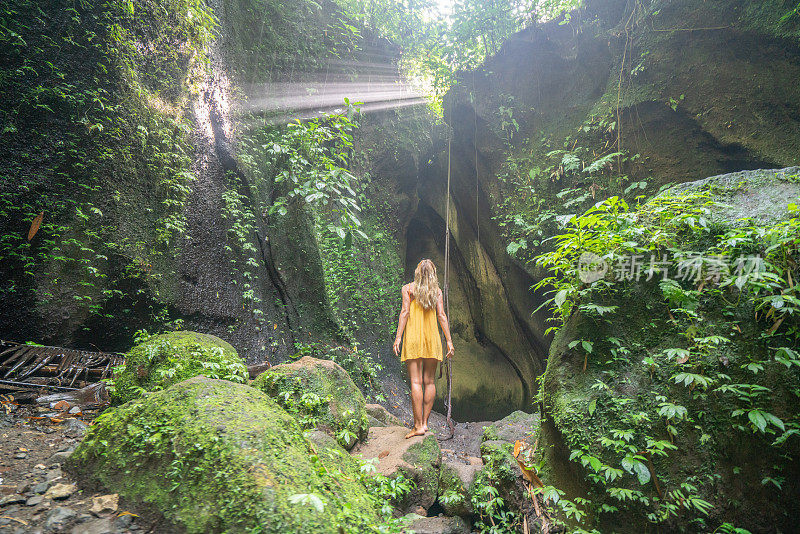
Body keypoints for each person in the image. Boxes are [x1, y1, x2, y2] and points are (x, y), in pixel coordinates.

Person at [393, 259, 455, 439]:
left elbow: (404, 312)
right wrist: (449, 341)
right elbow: (442, 316)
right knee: (429, 381)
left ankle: (418, 425)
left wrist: (398, 337)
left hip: (413, 339)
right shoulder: (436, 292)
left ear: (417, 272)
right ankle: (425, 424)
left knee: (415, 382)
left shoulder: (408, 289)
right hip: (432, 340)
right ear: (433, 274)